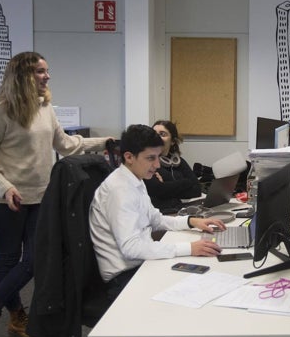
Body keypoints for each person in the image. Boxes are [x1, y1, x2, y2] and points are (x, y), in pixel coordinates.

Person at [0, 52, 110, 337]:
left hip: (40, 199)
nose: (47, 76)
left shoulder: (45, 108)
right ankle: (16, 319)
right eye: (40, 71)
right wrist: (5, 187)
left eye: (47, 71)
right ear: (23, 76)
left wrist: (106, 142)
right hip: (4, 202)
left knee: (37, 259)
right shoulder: (1, 111)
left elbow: (66, 145)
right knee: (7, 260)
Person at [89, 124, 225, 301]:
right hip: (123, 277)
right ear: (129, 157)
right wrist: (189, 248)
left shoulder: (134, 180)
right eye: (151, 158)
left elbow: (155, 219)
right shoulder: (119, 190)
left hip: (141, 263)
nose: (157, 164)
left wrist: (191, 221)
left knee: (202, 279)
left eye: (158, 157)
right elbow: (131, 248)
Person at [144, 120, 201, 214]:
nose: (156, 137)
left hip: (179, 210)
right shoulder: (146, 162)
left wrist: (167, 188)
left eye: (162, 134)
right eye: (153, 133)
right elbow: (157, 190)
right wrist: (186, 182)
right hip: (161, 214)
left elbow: (197, 190)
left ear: (173, 141)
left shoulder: (179, 161)